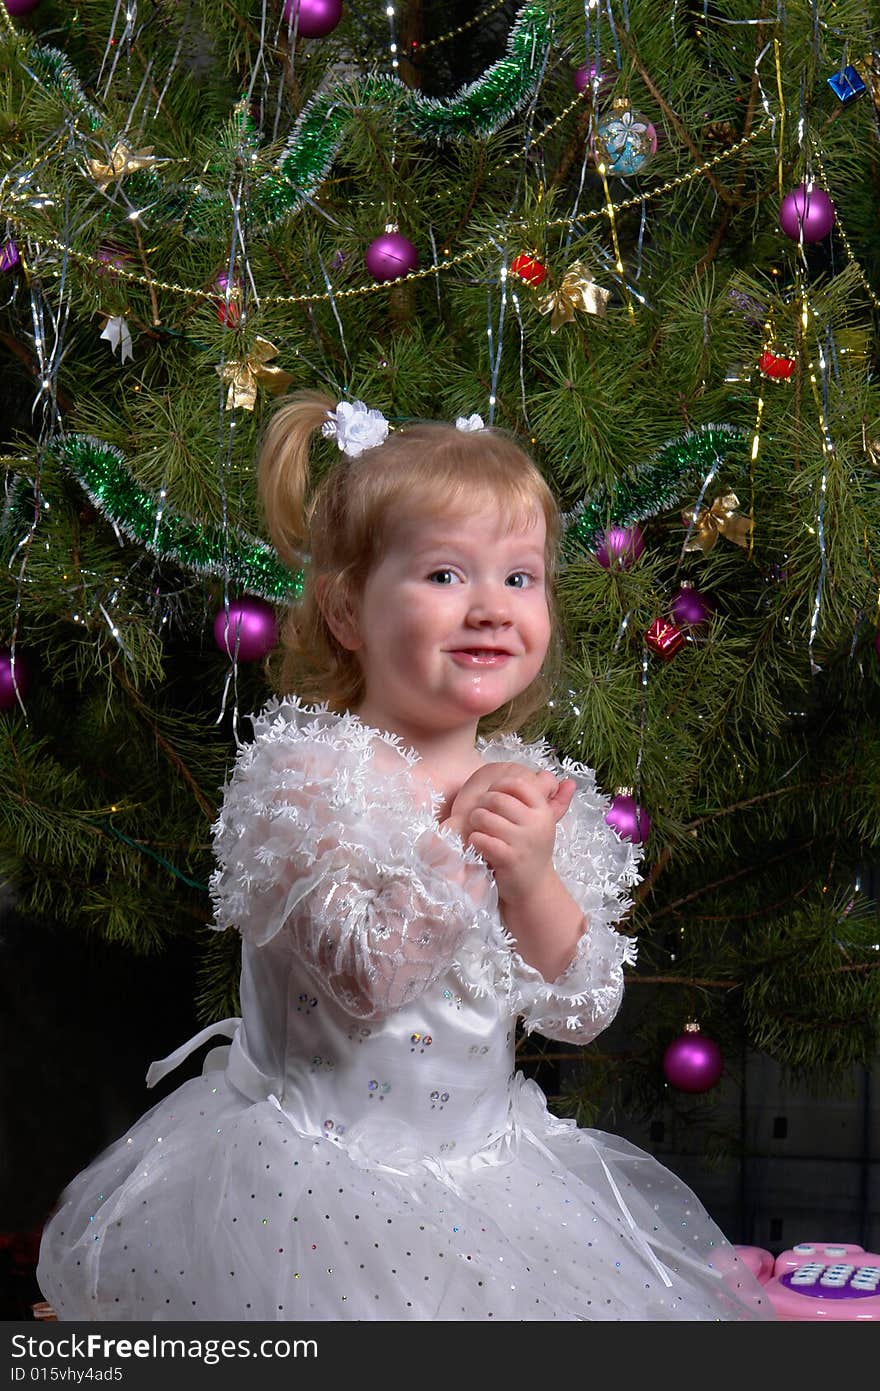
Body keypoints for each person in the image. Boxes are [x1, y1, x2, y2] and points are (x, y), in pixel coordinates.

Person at [37, 393, 773, 1321]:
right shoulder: (307, 778)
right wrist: (463, 843)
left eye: (520, 578)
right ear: (348, 609)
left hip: (489, 1182)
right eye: (443, 574)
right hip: (305, 1191)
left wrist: (533, 875)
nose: (490, 610)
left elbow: (583, 1007)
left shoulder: (535, 790)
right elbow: (367, 976)